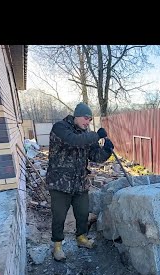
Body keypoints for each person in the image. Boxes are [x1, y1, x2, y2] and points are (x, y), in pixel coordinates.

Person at [45, 102, 114, 261]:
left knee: (82, 213)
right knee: (59, 216)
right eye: (85, 118)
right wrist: (96, 135)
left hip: (80, 182)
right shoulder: (60, 128)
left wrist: (106, 150)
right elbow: (74, 141)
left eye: (90, 120)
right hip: (59, 183)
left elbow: (95, 156)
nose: (87, 122)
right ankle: (57, 245)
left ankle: (81, 238)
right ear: (76, 115)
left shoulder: (87, 134)